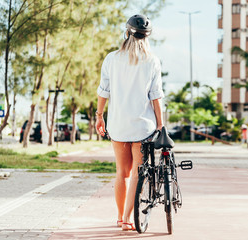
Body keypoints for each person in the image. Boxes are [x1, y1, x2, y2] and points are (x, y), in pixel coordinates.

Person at [95, 14, 164, 231]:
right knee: (136, 173)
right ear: (147, 37)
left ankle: (119, 217)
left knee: (121, 173)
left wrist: (99, 116)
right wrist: (160, 125)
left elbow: (103, 92)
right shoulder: (152, 60)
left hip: (118, 125)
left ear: (127, 33)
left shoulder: (111, 59)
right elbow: (156, 97)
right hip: (143, 127)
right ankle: (128, 219)